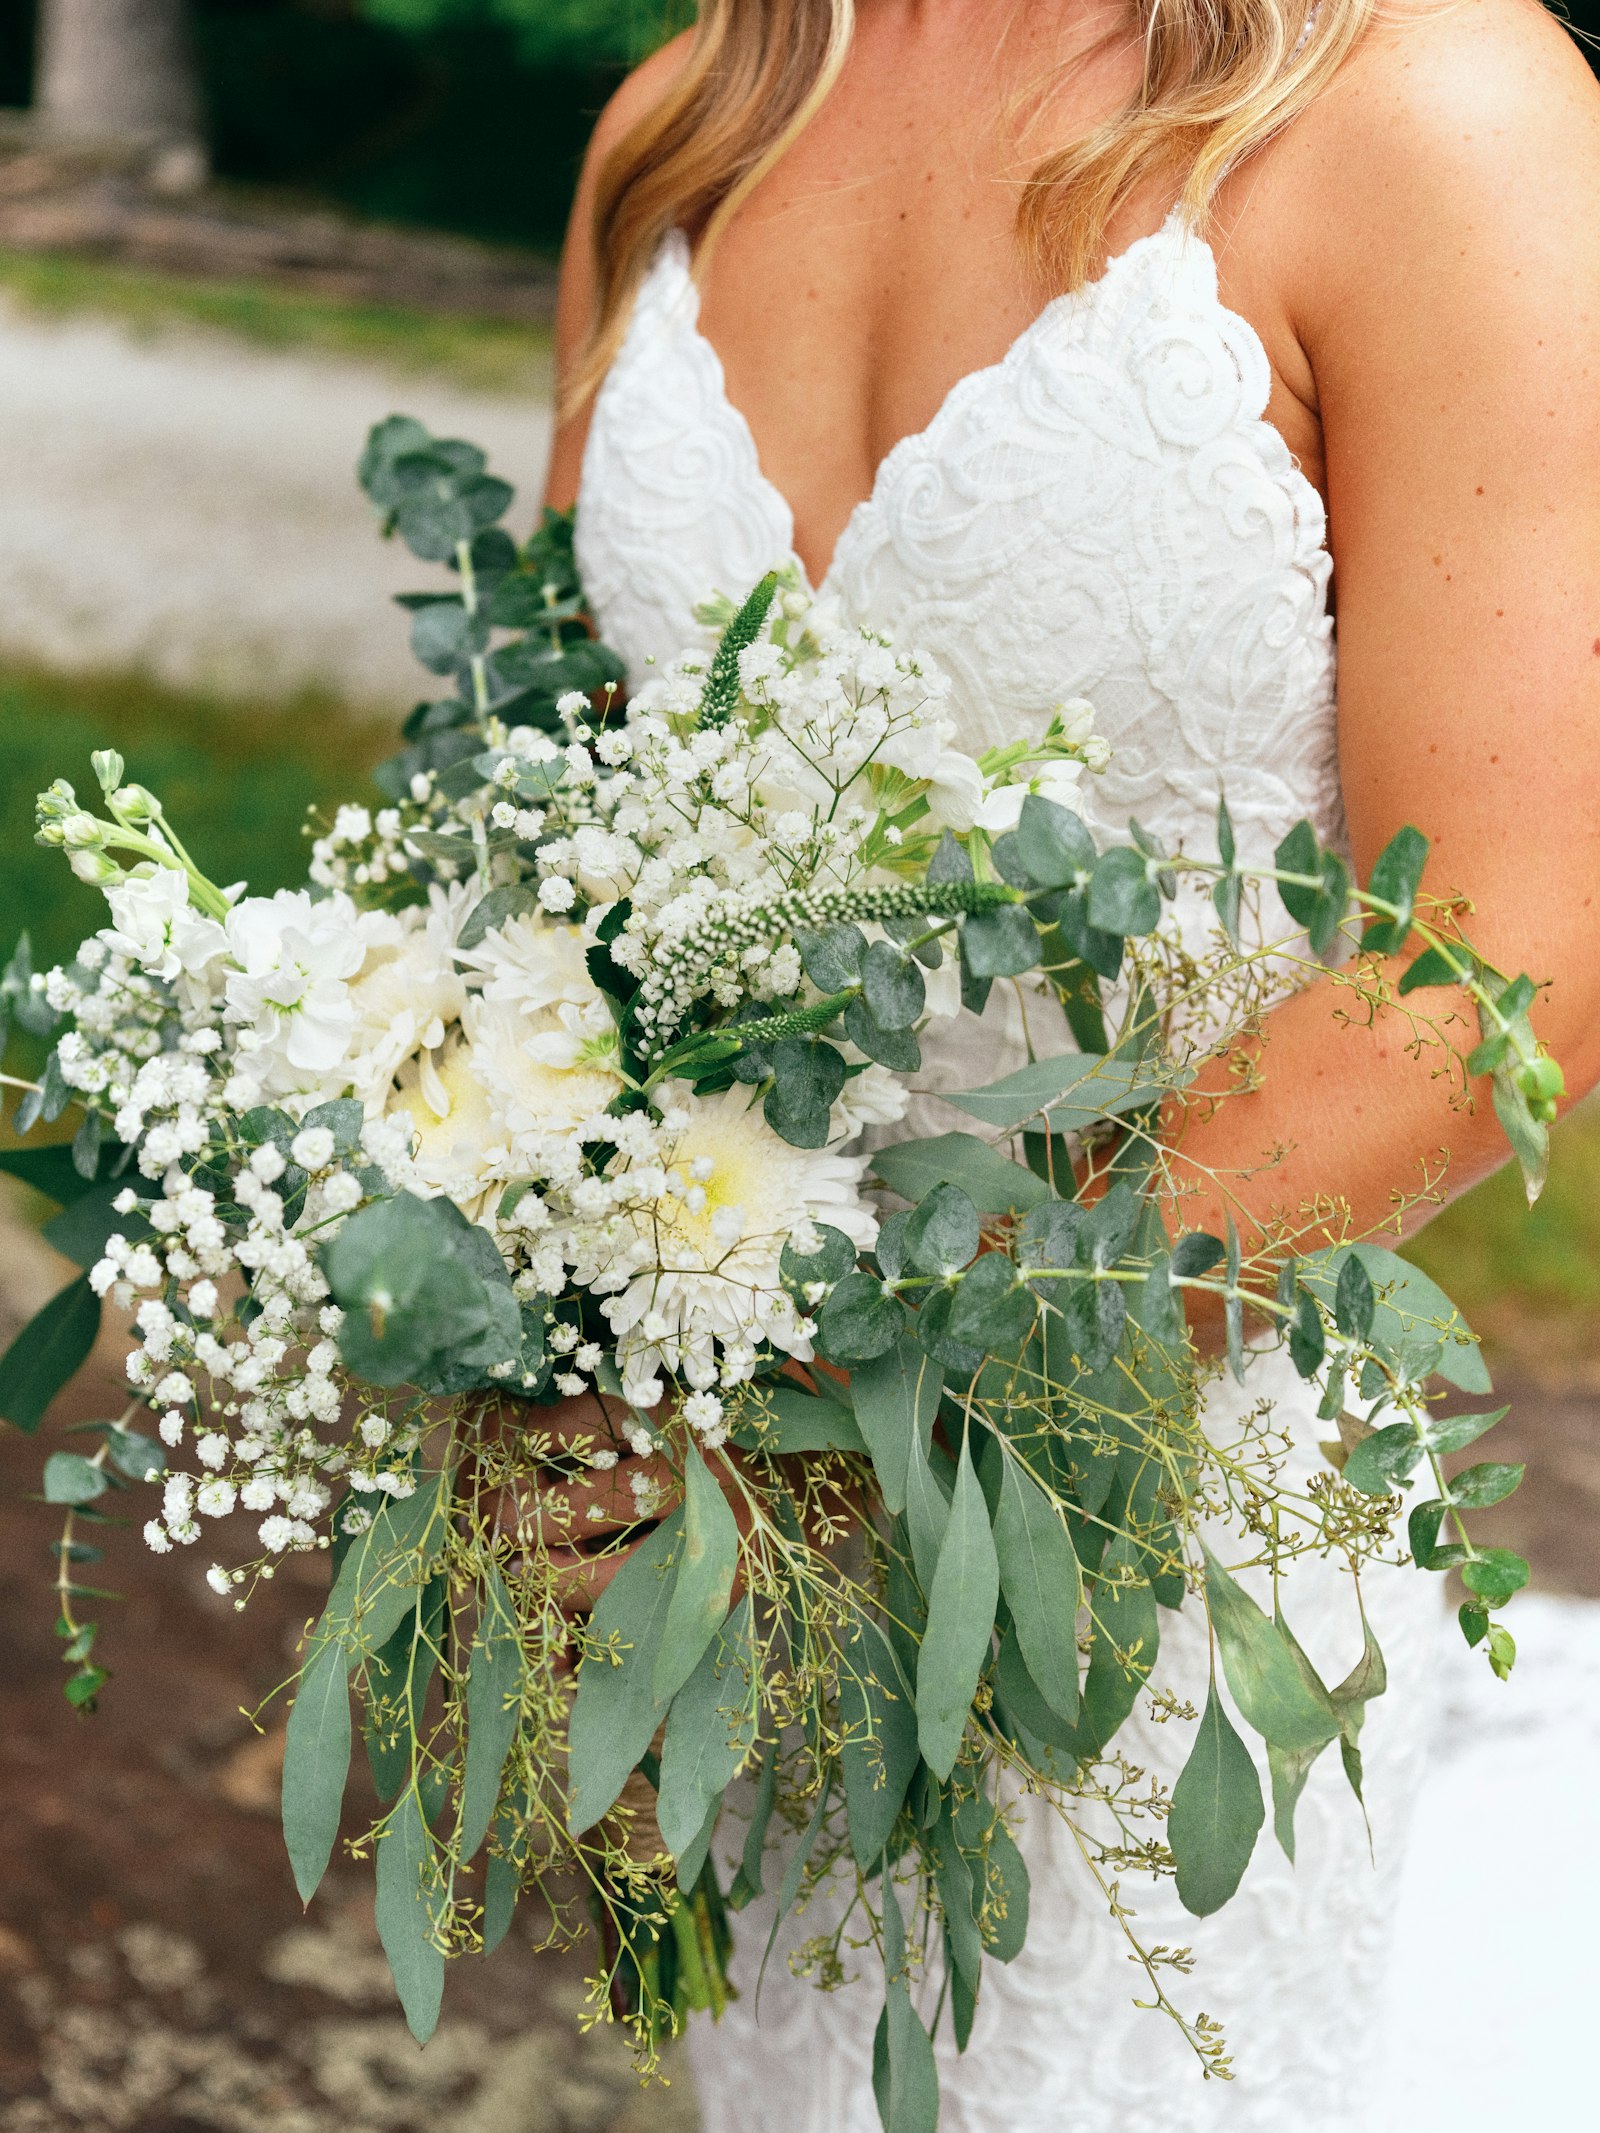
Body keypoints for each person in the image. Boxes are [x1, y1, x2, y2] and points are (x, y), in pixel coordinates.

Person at [528, 3, 1600, 2125]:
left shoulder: (1429, 104)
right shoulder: (688, 115)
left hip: (1161, 1543)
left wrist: (868, 1423)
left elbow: (1512, 938)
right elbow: (555, 813)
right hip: (717, 1550)